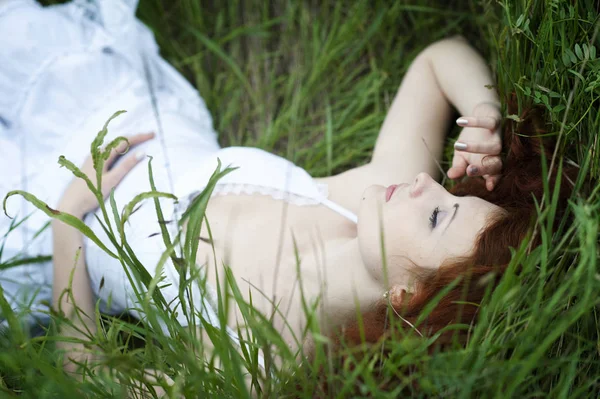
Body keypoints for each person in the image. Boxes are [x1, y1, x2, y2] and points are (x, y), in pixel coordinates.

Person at [0, 0, 573, 383]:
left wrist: (66, 217)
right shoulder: (365, 196)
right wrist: (483, 114)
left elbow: (88, 375)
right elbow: (435, 61)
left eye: (436, 218)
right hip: (128, 117)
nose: (428, 183)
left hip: (43, 210)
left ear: (406, 295)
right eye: (451, 196)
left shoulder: (256, 358)